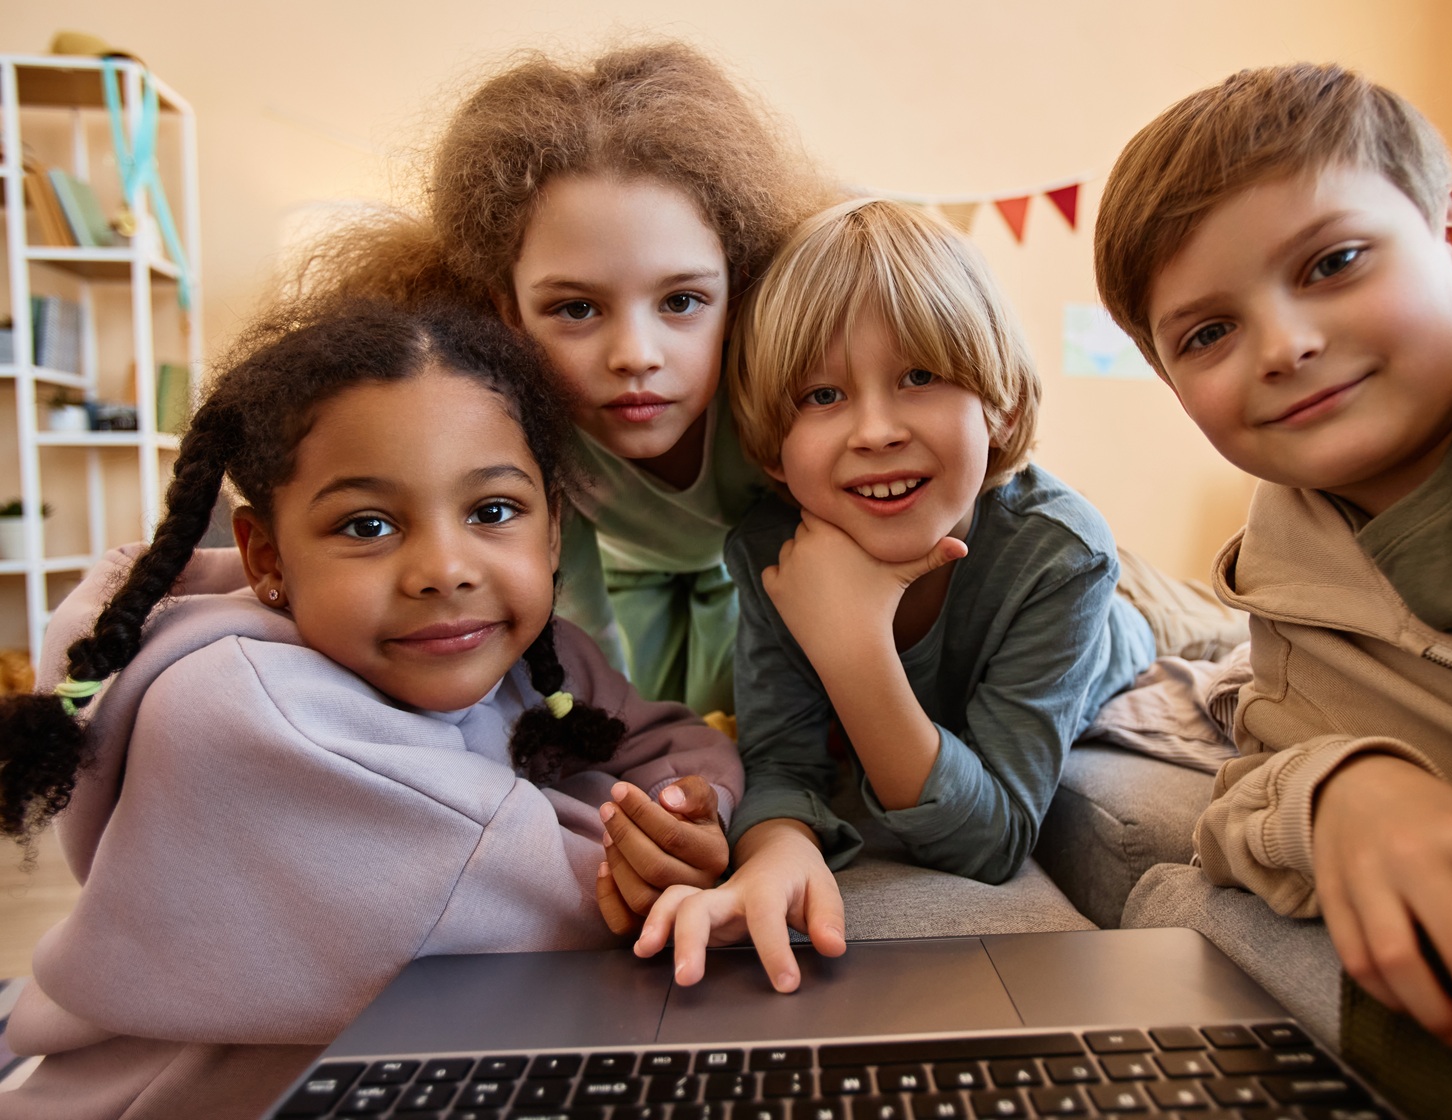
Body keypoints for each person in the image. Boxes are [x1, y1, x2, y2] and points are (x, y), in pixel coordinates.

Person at [1093, 62, 1452, 1118]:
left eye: (1334, 262)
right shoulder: (1288, 592)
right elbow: (1257, 771)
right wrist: (1343, 787)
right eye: (1208, 333)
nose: (1286, 345)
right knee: (1187, 906)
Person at [0, 300, 743, 1120]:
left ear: (554, 528)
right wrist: (654, 844)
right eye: (369, 524)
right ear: (267, 557)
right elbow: (561, 913)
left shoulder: (528, 651)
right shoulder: (245, 712)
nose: (444, 570)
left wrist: (688, 814)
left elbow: (664, 737)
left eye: (493, 512)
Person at [630, 198, 1159, 992]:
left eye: (920, 377)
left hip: (1121, 631)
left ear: (1002, 402)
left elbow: (993, 841)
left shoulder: (1061, 555)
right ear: (773, 450)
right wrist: (779, 840)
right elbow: (781, 757)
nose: (875, 430)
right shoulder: (771, 549)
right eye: (821, 396)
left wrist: (852, 647)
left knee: (1166, 617)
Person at [294, 41, 833, 722]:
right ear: (506, 311)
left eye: (682, 301)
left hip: (766, 570)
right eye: (576, 308)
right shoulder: (515, 420)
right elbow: (577, 623)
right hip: (626, 576)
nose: (636, 356)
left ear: (739, 285)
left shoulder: (790, 387)